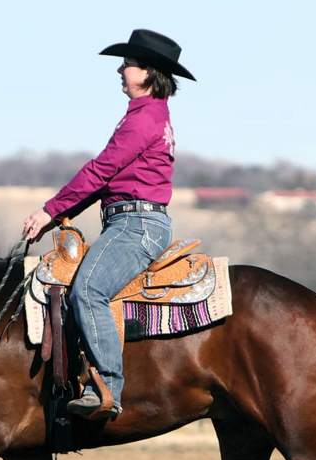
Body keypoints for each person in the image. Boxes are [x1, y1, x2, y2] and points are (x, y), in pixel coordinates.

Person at [22, 29, 196, 419]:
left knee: (88, 289)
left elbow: (101, 171)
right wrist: (55, 217)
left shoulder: (144, 118)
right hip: (129, 219)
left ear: (149, 71)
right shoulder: (149, 115)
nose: (120, 69)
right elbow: (107, 180)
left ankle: (108, 388)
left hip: (136, 226)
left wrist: (49, 211)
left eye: (128, 63)